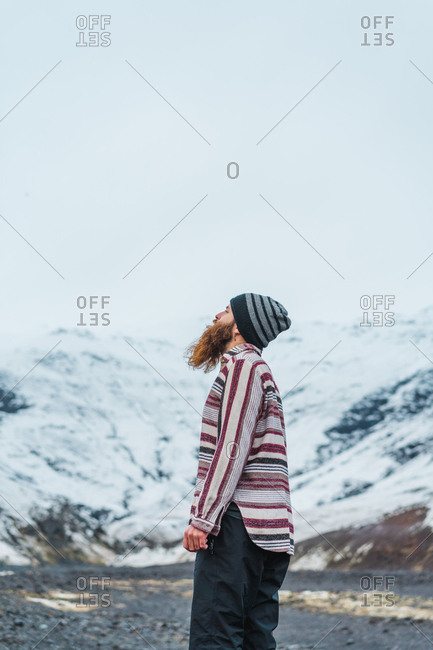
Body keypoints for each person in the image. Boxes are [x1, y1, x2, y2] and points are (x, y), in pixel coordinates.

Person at [183, 292, 295, 649]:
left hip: (237, 524)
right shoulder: (262, 373)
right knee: (253, 638)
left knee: (215, 635)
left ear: (239, 327)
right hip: (269, 528)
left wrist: (203, 518)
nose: (217, 314)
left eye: (227, 310)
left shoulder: (244, 367)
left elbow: (231, 449)